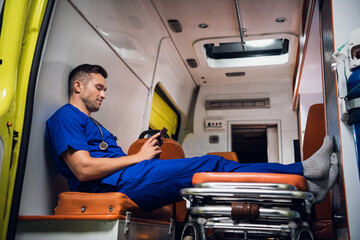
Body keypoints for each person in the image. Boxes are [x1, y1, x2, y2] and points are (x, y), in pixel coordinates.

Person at [46, 64, 339, 211]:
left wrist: (144, 151)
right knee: (213, 165)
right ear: (77, 85)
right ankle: (304, 173)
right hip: (116, 184)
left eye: (104, 89)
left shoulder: (91, 123)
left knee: (214, 168)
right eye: (98, 87)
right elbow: (82, 169)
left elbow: (111, 160)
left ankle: (308, 186)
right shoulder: (65, 117)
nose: (103, 94)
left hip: (131, 174)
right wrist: (137, 157)